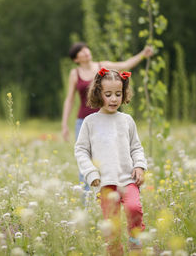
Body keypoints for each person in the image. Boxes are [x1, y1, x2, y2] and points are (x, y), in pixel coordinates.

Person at [74, 68, 147, 255]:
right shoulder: (90, 122)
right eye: (108, 94)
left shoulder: (127, 120)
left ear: (124, 94)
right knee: (112, 226)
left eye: (118, 94)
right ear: (99, 94)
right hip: (105, 183)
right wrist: (91, 173)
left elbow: (136, 147)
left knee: (134, 208)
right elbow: (81, 150)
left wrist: (139, 166)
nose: (114, 99)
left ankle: (136, 242)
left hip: (127, 179)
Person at [61, 42, 152, 191]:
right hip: (84, 120)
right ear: (75, 59)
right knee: (86, 162)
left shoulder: (102, 67)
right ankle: (89, 201)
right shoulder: (75, 73)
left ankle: (115, 192)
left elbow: (125, 65)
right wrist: (64, 124)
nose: (85, 52)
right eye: (80, 52)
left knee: (109, 159)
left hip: (109, 120)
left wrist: (143, 54)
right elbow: (69, 99)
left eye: (85, 49)